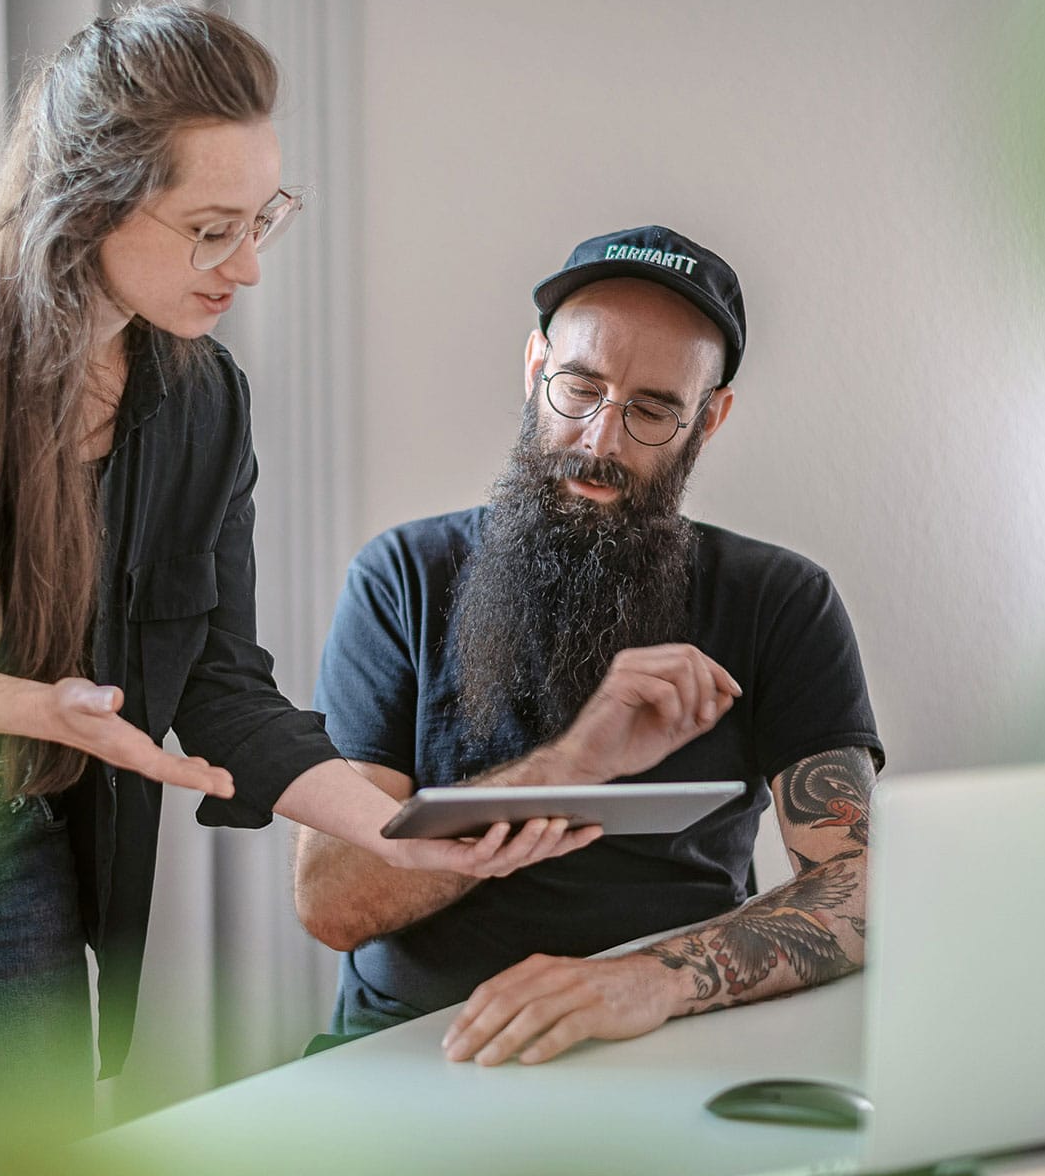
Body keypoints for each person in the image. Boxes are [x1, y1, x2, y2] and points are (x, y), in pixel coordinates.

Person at [0, 4, 585, 1173]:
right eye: (211, 229)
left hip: (16, 839)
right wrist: (30, 706)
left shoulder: (206, 406)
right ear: (92, 198)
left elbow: (219, 684)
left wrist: (403, 835)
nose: (247, 267)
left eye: (262, 221)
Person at [294, 224, 884, 1067]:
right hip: (422, 1048)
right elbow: (332, 903)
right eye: (580, 388)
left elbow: (860, 889)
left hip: (673, 1035)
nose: (601, 441)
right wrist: (570, 767)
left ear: (708, 420)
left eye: (651, 411)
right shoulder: (403, 577)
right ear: (536, 369)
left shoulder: (781, 601)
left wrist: (648, 980)